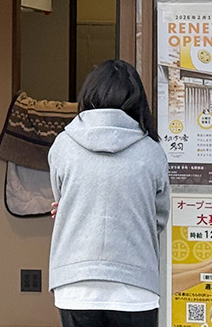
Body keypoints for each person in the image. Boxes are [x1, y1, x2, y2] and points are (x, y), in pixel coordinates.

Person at [48, 59, 169, 327]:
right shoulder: (152, 152)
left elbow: (61, 199)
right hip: (135, 286)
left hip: (75, 282)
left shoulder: (63, 145)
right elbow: (159, 218)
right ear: (137, 101)